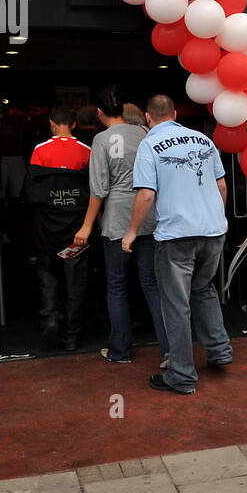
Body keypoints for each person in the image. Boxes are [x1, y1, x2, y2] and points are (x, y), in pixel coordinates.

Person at [124, 94, 233, 395]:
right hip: (213, 232)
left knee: (175, 303)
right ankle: (219, 350)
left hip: (177, 236)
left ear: (148, 117)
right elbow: (221, 185)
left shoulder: (149, 145)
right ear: (173, 113)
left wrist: (132, 232)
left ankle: (182, 375)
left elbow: (146, 194)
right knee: (203, 288)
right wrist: (214, 218)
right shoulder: (203, 140)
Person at [74, 86, 169, 364]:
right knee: (152, 285)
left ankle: (120, 351)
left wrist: (87, 225)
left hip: (116, 220)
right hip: (148, 216)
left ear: (100, 113)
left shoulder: (102, 140)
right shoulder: (144, 133)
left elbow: (99, 189)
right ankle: (170, 350)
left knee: (116, 286)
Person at [27, 105, 92, 350]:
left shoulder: (40, 150)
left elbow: (33, 193)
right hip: (77, 231)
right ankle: (72, 336)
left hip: (46, 230)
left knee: (48, 276)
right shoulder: (86, 150)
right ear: (74, 124)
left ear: (52, 124)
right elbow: (93, 191)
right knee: (75, 283)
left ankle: (50, 321)